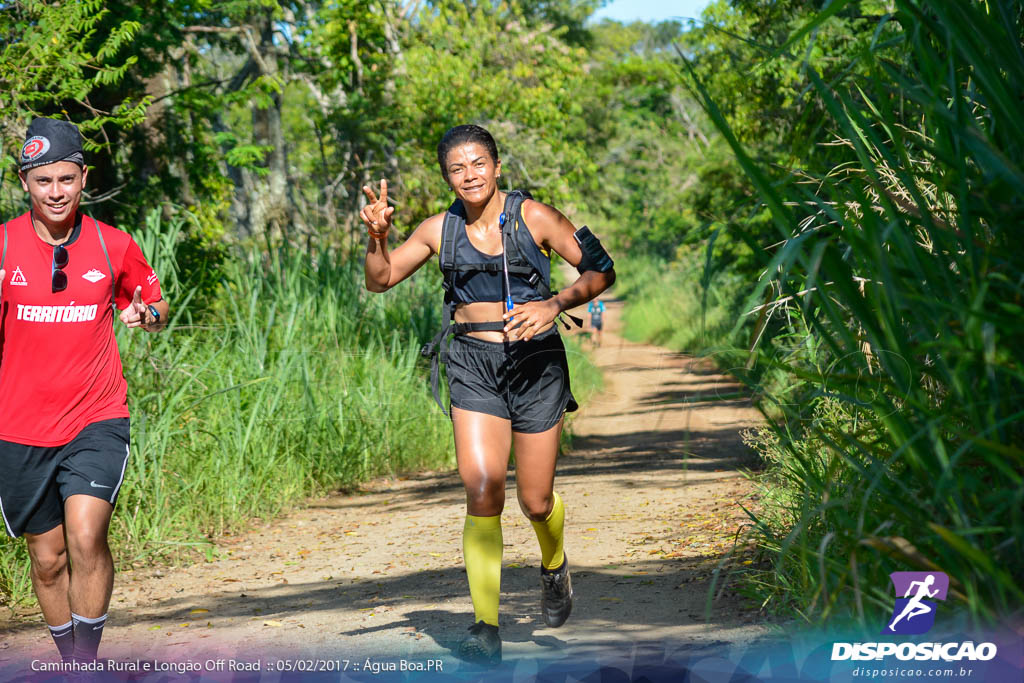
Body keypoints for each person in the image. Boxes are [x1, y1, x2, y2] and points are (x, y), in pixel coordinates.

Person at [361, 124, 614, 665]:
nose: (469, 174)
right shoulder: (437, 229)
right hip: (472, 363)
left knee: (535, 500)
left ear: (497, 167)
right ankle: (486, 627)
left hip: (536, 363)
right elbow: (380, 280)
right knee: (482, 491)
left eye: (478, 163)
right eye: (457, 167)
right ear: (447, 177)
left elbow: (601, 269)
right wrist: (378, 237)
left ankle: (554, 566)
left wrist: (553, 303)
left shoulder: (535, 217)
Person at [0, 119, 168, 665]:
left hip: (97, 417)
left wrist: (148, 314)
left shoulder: (111, 244)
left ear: (83, 178)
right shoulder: (2, 247)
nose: (55, 192)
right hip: (19, 426)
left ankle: (85, 666)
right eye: (43, 180)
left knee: (86, 534)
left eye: (66, 180)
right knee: (47, 559)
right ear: (25, 181)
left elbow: (154, 302)